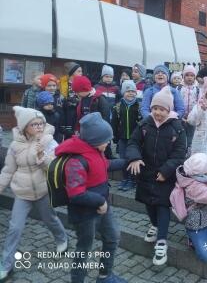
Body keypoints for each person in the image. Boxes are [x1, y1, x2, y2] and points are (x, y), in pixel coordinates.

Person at [55, 112, 127, 283]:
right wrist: (100, 201)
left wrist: (127, 161)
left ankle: (105, 275)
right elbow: (76, 193)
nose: (108, 143)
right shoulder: (76, 161)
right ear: (94, 140)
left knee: (112, 237)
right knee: (84, 249)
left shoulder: (95, 150)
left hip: (102, 207)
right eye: (106, 140)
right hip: (85, 214)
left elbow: (104, 165)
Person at [0, 107, 67, 281]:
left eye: (41, 123)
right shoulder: (15, 146)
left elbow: (55, 166)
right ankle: (6, 265)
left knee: (50, 218)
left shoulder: (49, 141)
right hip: (22, 193)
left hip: (43, 189)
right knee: (15, 228)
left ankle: (62, 238)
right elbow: (7, 170)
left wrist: (41, 156)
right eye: (34, 124)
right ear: (24, 127)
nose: (39, 127)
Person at [126, 86, 186, 266]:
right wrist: (135, 157)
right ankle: (154, 224)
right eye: (155, 108)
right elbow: (133, 142)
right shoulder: (145, 124)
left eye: (161, 109)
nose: (157, 112)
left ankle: (161, 242)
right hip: (146, 172)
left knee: (161, 205)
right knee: (148, 203)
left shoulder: (177, 127)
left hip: (165, 175)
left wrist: (166, 171)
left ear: (169, 110)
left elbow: (179, 153)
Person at [111, 81, 141, 191]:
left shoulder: (139, 106)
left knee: (133, 159)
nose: (131, 94)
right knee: (123, 159)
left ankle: (133, 180)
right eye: (128, 91)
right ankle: (125, 178)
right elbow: (114, 122)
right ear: (123, 92)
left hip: (135, 140)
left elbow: (142, 123)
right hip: (123, 139)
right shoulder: (118, 107)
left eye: (133, 91)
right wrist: (115, 137)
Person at [178, 65, 200, 149]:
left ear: (195, 77)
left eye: (192, 75)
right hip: (181, 117)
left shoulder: (197, 89)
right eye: (187, 75)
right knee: (181, 135)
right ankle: (181, 149)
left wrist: (195, 116)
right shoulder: (179, 88)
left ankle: (189, 149)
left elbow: (199, 103)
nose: (189, 77)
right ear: (183, 76)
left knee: (191, 135)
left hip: (193, 118)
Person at [60, 61, 83, 137]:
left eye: (81, 71)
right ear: (72, 72)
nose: (81, 73)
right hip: (65, 113)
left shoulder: (82, 83)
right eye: (79, 71)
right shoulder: (62, 83)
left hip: (78, 112)